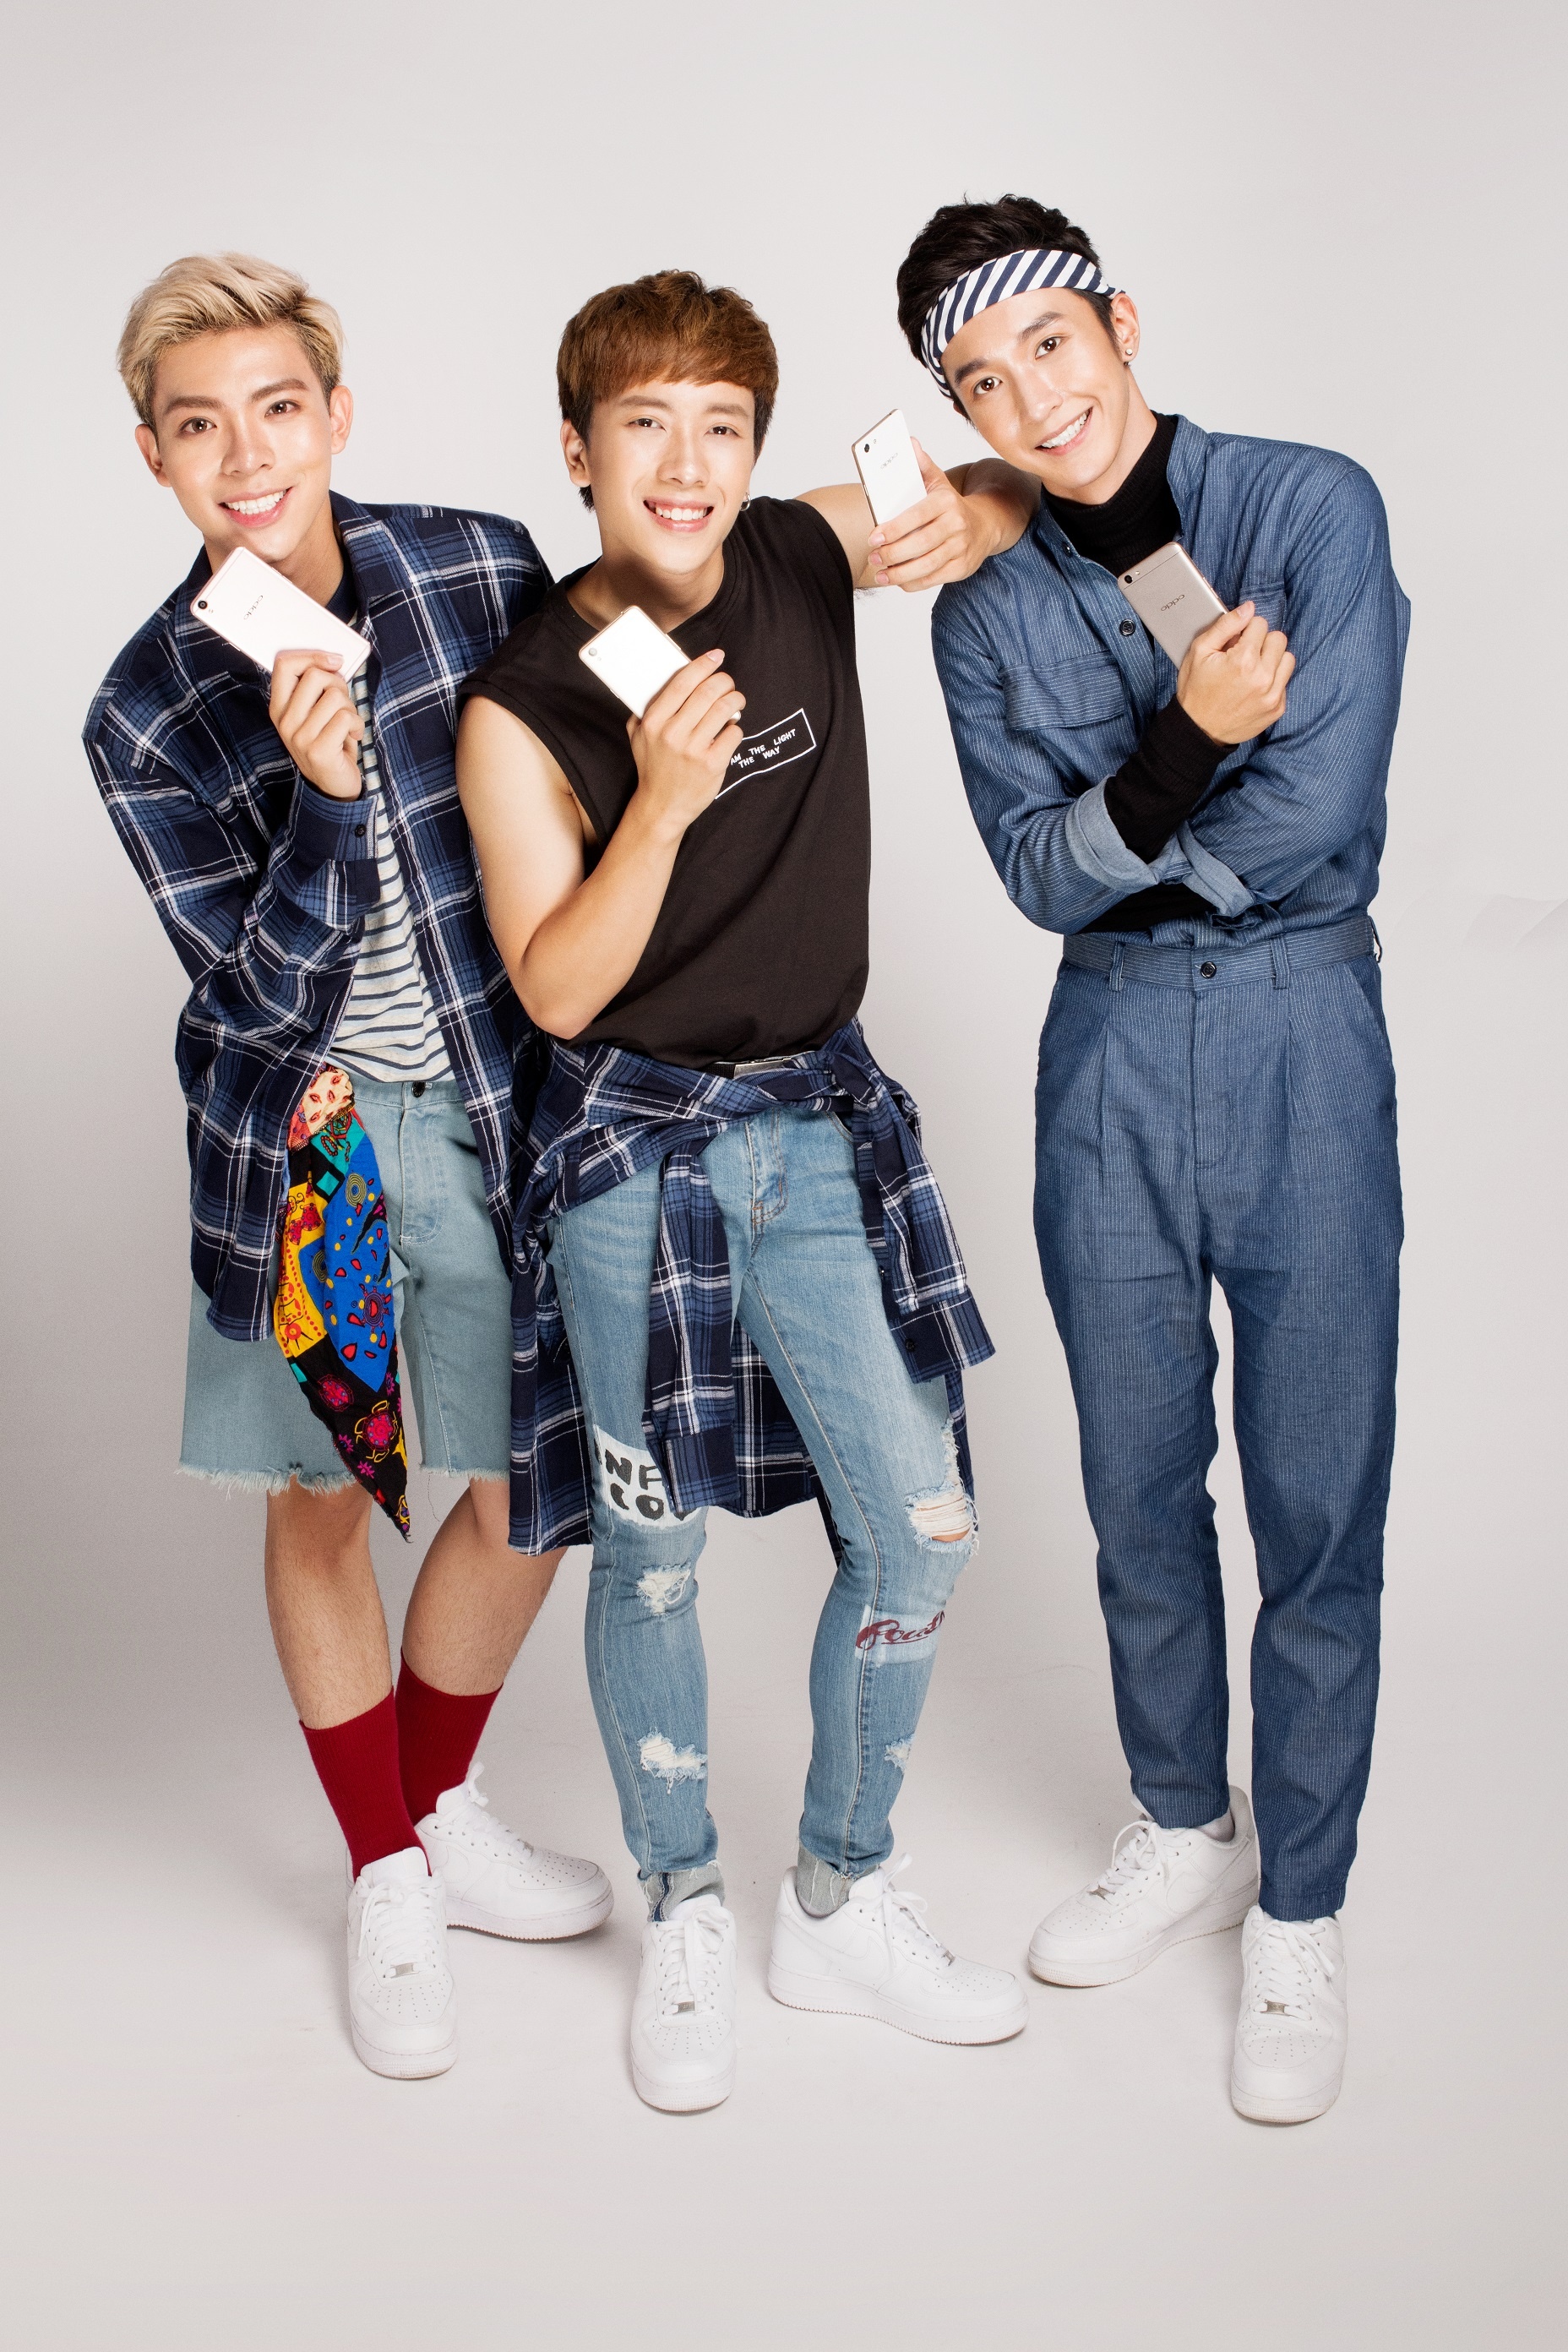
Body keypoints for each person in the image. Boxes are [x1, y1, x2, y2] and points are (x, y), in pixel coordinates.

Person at [457, 270, 1037, 2112]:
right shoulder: (520, 703)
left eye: (721, 426)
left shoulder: (788, 551)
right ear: (580, 451)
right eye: (647, 425)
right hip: (632, 1150)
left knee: (919, 1529)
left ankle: (839, 1897)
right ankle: (686, 1907)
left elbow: (987, 489)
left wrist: (973, 513)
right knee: (651, 1555)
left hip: (819, 1127)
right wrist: (659, 800)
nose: (687, 463)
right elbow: (555, 991)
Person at [897, 197, 1407, 2124]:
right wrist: (1186, 744)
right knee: (1132, 1475)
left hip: (1299, 1026)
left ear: (1118, 319)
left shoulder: (1309, 505)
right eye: (979, 384)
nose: (1033, 400)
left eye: (1049, 345)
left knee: (1316, 1485)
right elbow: (1036, 880)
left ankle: (1304, 1902)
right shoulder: (977, 609)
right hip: (1105, 1051)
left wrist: (1132, 838)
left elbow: (1320, 805)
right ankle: (1184, 1823)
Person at [84, 253, 612, 2083]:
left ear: (336, 415)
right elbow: (249, 998)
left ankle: (435, 1805)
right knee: (323, 1498)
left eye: (277, 410)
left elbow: (614, 761)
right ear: (152, 453)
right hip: (306, 1138)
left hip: (498, 1101)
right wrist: (319, 807)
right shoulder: (145, 708)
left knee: (540, 1478)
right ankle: (385, 1867)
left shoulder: (473, 568)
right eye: (199, 426)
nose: (247, 458)